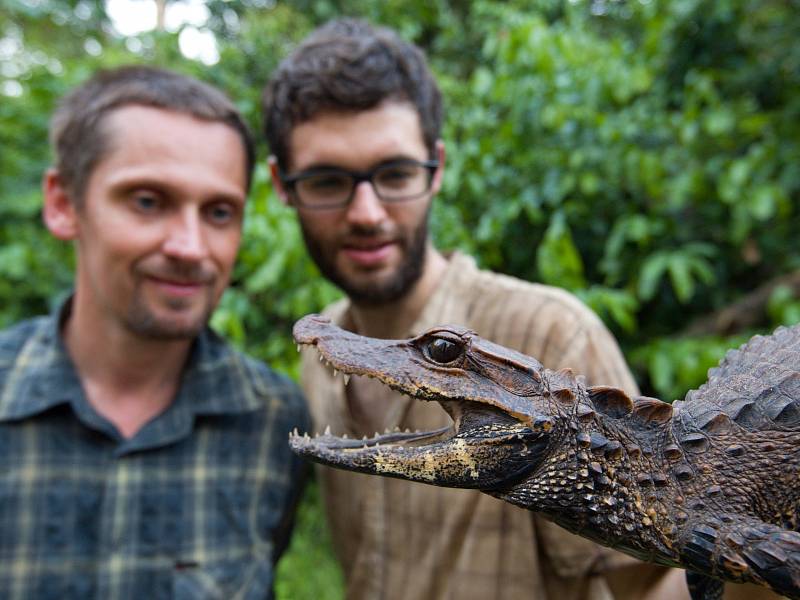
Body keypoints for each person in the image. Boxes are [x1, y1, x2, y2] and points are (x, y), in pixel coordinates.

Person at [261, 18, 781, 600]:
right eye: (328, 180)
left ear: (436, 168)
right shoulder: (326, 355)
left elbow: (655, 584)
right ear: (283, 184)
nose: (366, 212)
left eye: (394, 173)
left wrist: (757, 561)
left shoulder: (554, 334)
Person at [0, 65, 309, 599]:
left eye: (218, 211)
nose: (190, 247)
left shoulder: (275, 423)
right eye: (148, 201)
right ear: (63, 203)